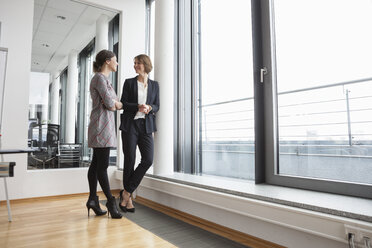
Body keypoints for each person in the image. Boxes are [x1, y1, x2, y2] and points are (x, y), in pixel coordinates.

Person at [118, 54, 159, 213]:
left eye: (138, 63)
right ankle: (128, 200)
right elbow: (123, 104)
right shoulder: (129, 83)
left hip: (146, 126)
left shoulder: (155, 85)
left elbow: (157, 105)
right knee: (130, 159)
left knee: (148, 159)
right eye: (134, 63)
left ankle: (126, 192)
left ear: (146, 65)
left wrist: (150, 108)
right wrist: (138, 106)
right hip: (130, 125)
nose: (135, 66)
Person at [86, 49, 123, 219]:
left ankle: (93, 199)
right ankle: (110, 200)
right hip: (101, 127)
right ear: (108, 61)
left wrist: (115, 103)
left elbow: (111, 102)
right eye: (115, 60)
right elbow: (110, 103)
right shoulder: (100, 78)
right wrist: (117, 103)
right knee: (102, 167)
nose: (117, 63)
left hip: (101, 125)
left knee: (95, 165)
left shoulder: (103, 79)